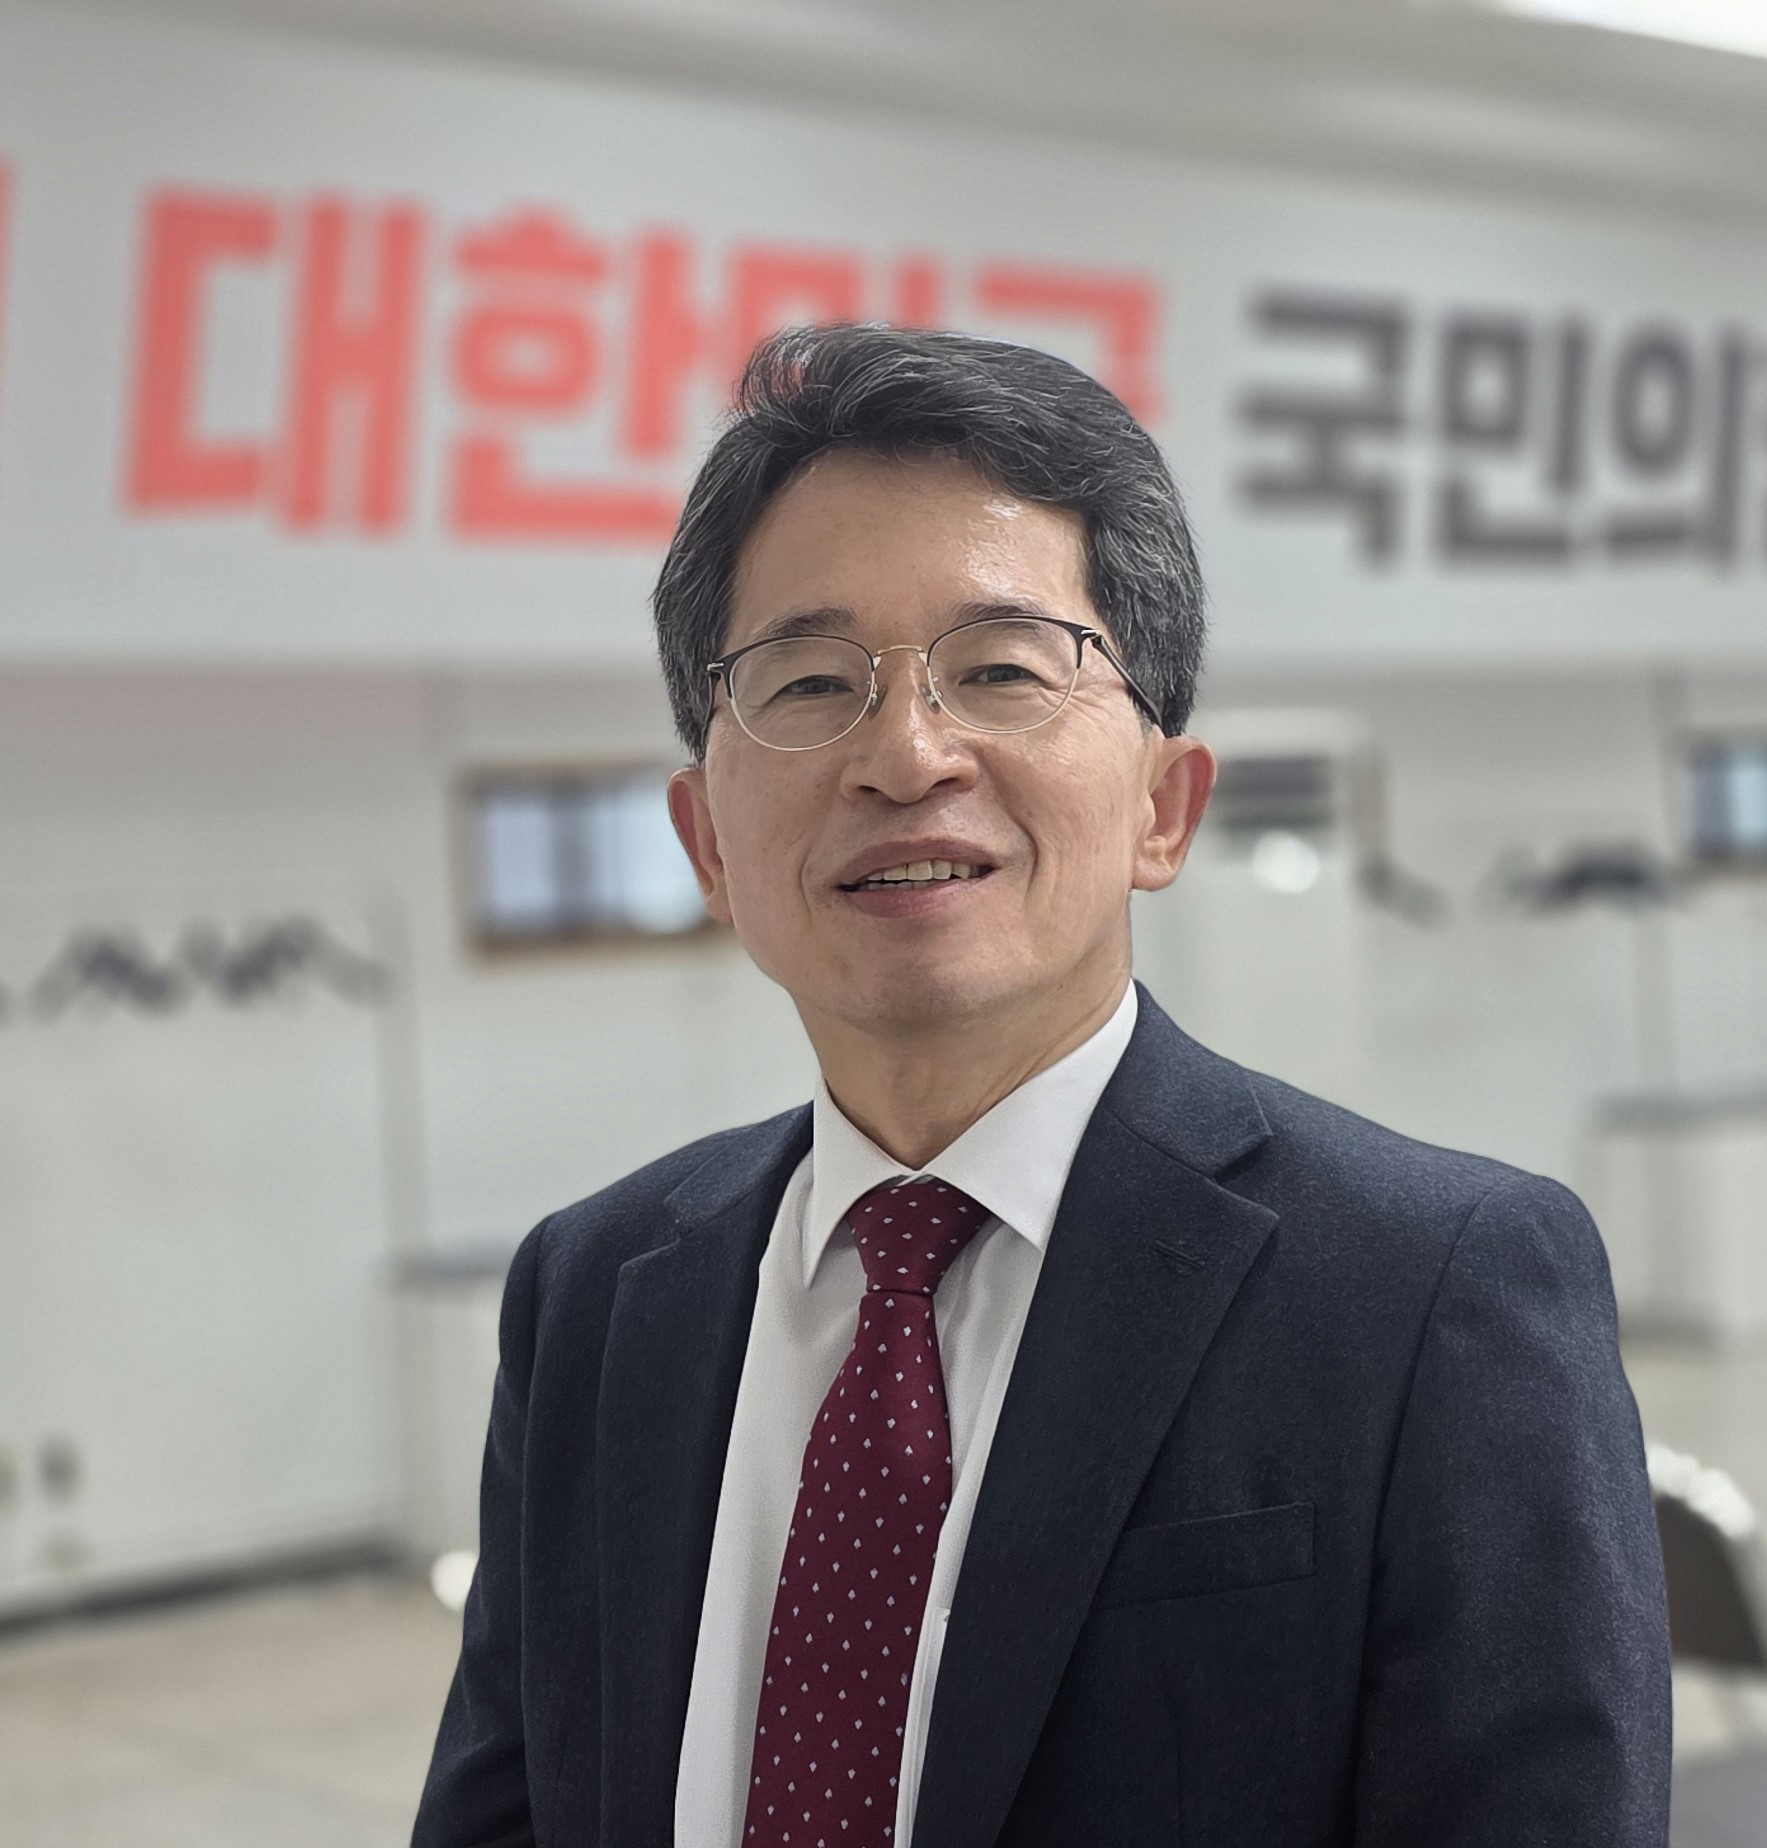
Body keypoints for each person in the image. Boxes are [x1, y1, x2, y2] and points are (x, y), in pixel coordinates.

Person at [412, 324, 1670, 1848]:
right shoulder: (595, 1298)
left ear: (1163, 805)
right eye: (809, 682)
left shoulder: (1435, 1297)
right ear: (707, 847)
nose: (904, 754)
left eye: (1000, 669)